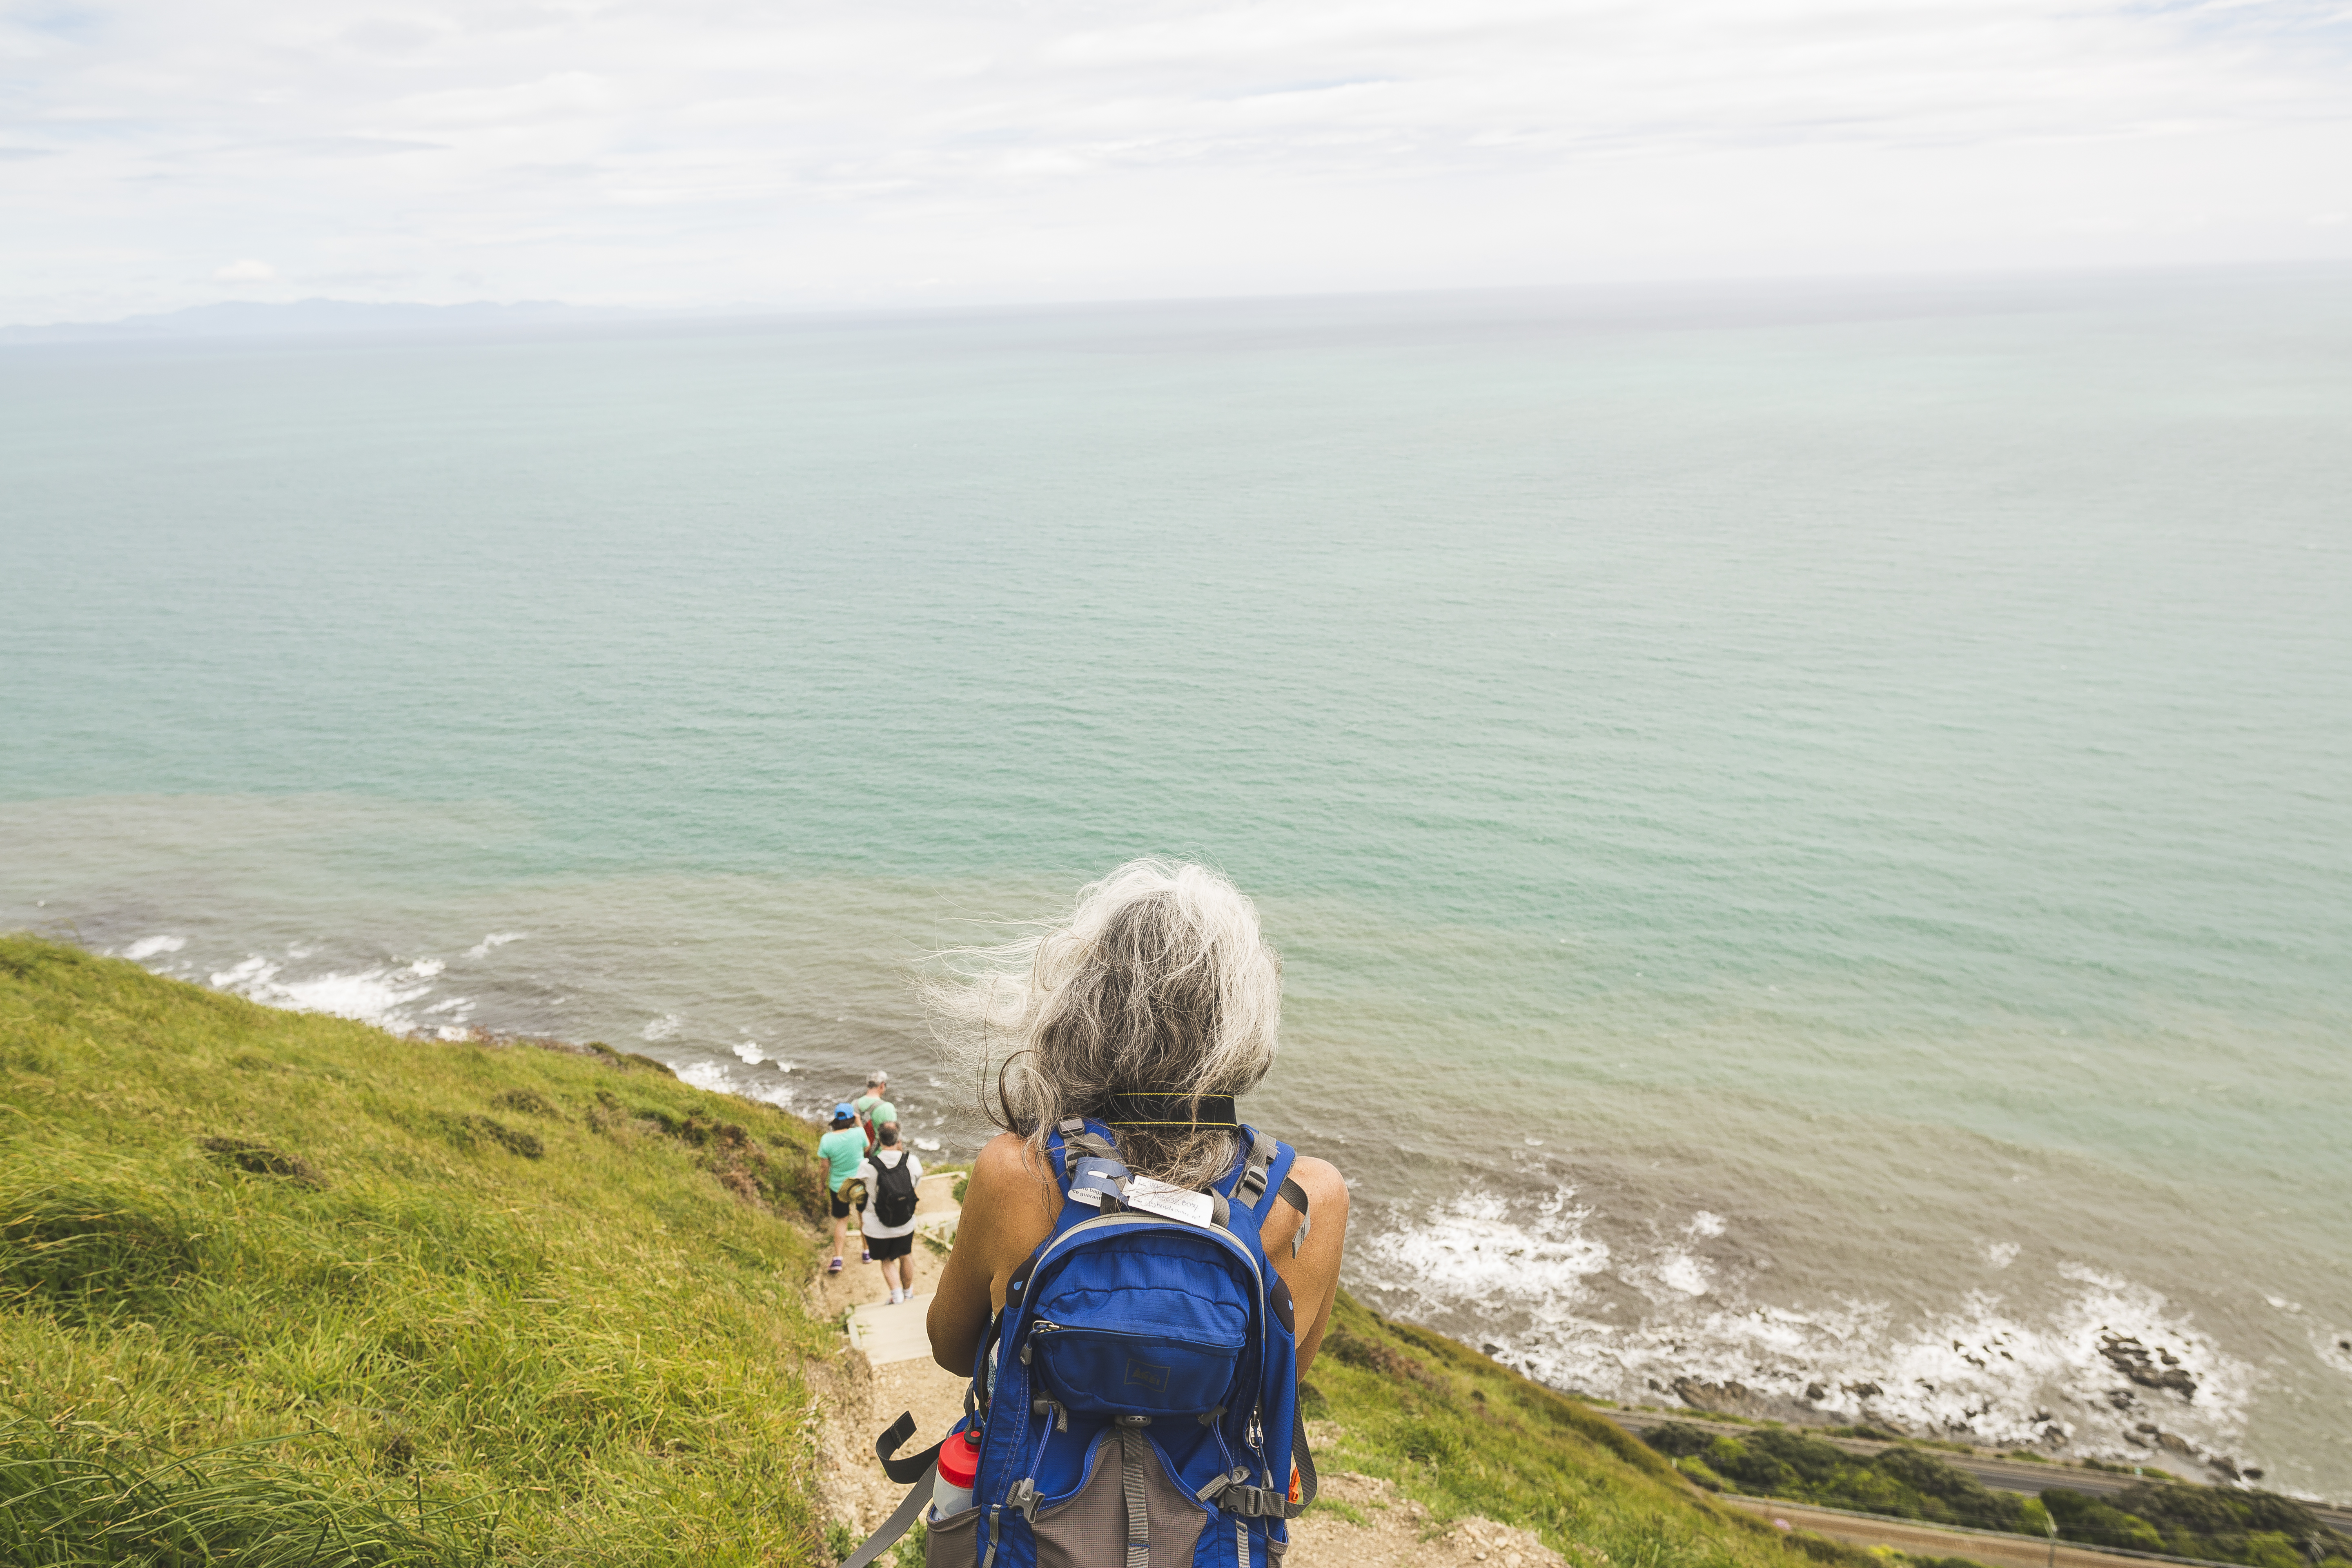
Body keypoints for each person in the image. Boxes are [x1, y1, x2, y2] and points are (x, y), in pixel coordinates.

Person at [922, 857, 1349, 1379]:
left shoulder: (1017, 1171)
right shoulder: (1310, 1198)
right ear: (1246, 1024)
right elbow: (1287, 1378)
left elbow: (951, 1349)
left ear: (1084, 1007)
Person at [855, 1121, 924, 1303]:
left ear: (879, 1139)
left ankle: (897, 1296)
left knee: (886, 1259)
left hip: (876, 1226)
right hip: (905, 1222)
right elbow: (915, 1185)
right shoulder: (912, 1161)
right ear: (899, 1139)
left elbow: (860, 1188)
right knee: (906, 1254)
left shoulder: (867, 1165)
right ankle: (908, 1292)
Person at [814, 1102, 867, 1274]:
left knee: (842, 1220)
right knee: (863, 1217)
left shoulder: (827, 1139)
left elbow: (824, 1168)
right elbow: (867, 1148)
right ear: (852, 1118)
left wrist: (822, 1186)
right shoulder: (859, 1133)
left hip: (838, 1187)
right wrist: (859, 1122)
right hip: (859, 1183)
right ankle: (867, 1252)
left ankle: (838, 1258)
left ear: (836, 1119)